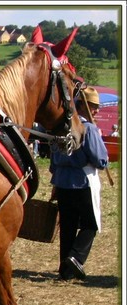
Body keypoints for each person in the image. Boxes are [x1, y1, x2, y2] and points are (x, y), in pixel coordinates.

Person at [49, 86, 108, 281]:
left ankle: (65, 271)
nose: (97, 111)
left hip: (63, 182)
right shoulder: (88, 129)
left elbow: (53, 161)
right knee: (91, 224)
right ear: (82, 106)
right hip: (83, 182)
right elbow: (100, 159)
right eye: (93, 106)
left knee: (68, 226)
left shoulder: (60, 128)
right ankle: (76, 258)